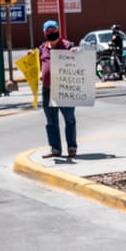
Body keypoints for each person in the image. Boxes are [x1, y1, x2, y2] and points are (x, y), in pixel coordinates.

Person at [39, 19, 78, 159]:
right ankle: (55, 149)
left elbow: (78, 60)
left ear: (58, 31)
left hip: (64, 88)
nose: (52, 33)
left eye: (54, 30)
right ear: (45, 34)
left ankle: (72, 148)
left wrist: (75, 52)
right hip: (47, 89)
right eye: (48, 31)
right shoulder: (42, 48)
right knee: (51, 121)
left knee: (69, 119)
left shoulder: (67, 46)